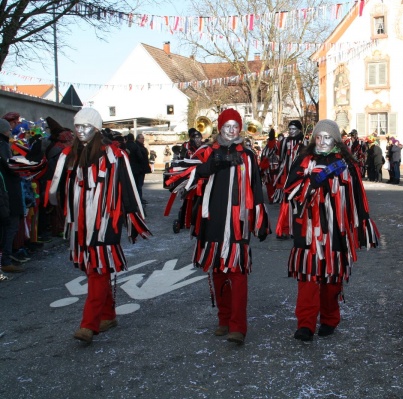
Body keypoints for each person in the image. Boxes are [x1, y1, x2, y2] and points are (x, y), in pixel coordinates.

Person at [167, 108, 270, 345]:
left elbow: (256, 188)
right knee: (217, 272)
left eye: (236, 126)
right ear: (219, 128)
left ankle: (237, 326)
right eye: (227, 126)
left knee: (238, 273)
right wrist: (210, 166)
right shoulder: (206, 152)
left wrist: (260, 220)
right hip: (212, 220)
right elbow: (176, 179)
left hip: (238, 223)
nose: (232, 130)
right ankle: (223, 319)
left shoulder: (247, 155)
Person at [49, 108, 151, 343]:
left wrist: (133, 219)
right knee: (92, 268)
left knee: (98, 269)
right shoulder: (69, 155)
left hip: (105, 221)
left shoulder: (113, 155)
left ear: (96, 129)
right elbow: (59, 188)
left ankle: (88, 324)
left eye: (86, 127)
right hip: (79, 224)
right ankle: (108, 314)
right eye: (77, 127)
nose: (81, 131)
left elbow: (128, 189)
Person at [276, 119, 379, 341]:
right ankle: (305, 324)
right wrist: (311, 181)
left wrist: (363, 225)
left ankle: (330, 318)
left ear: (336, 141)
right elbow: (289, 191)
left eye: (327, 137)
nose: (322, 141)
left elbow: (358, 197)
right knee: (308, 279)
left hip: (336, 230)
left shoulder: (346, 164)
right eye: (318, 137)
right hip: (308, 230)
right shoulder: (303, 160)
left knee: (332, 280)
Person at [0, 118, 25, 274]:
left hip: (6, 190)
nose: (10, 131)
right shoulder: (3, 145)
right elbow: (10, 166)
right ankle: (6, 260)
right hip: (7, 191)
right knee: (10, 225)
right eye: (8, 129)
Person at [274, 120, 305, 239]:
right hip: (287, 175)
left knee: (299, 202)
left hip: (300, 176)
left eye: (294, 129)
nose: (291, 131)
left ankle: (297, 229)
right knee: (287, 202)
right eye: (290, 129)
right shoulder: (285, 142)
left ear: (299, 130)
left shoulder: (305, 142)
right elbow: (281, 158)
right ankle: (285, 228)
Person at [259, 128, 279, 203]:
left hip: (268, 168)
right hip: (275, 167)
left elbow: (263, 156)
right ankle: (274, 197)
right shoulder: (277, 145)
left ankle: (271, 198)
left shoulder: (266, 147)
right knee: (274, 182)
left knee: (269, 184)